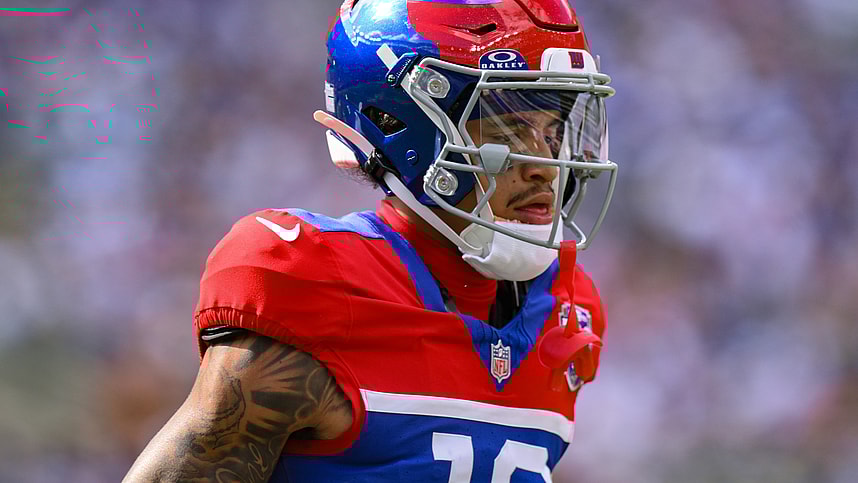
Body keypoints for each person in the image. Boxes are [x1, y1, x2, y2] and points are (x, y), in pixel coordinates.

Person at [124, 0, 617, 481]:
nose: (545, 165)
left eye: (553, 132)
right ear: (399, 123)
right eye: (509, 129)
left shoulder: (563, 305)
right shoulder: (319, 282)